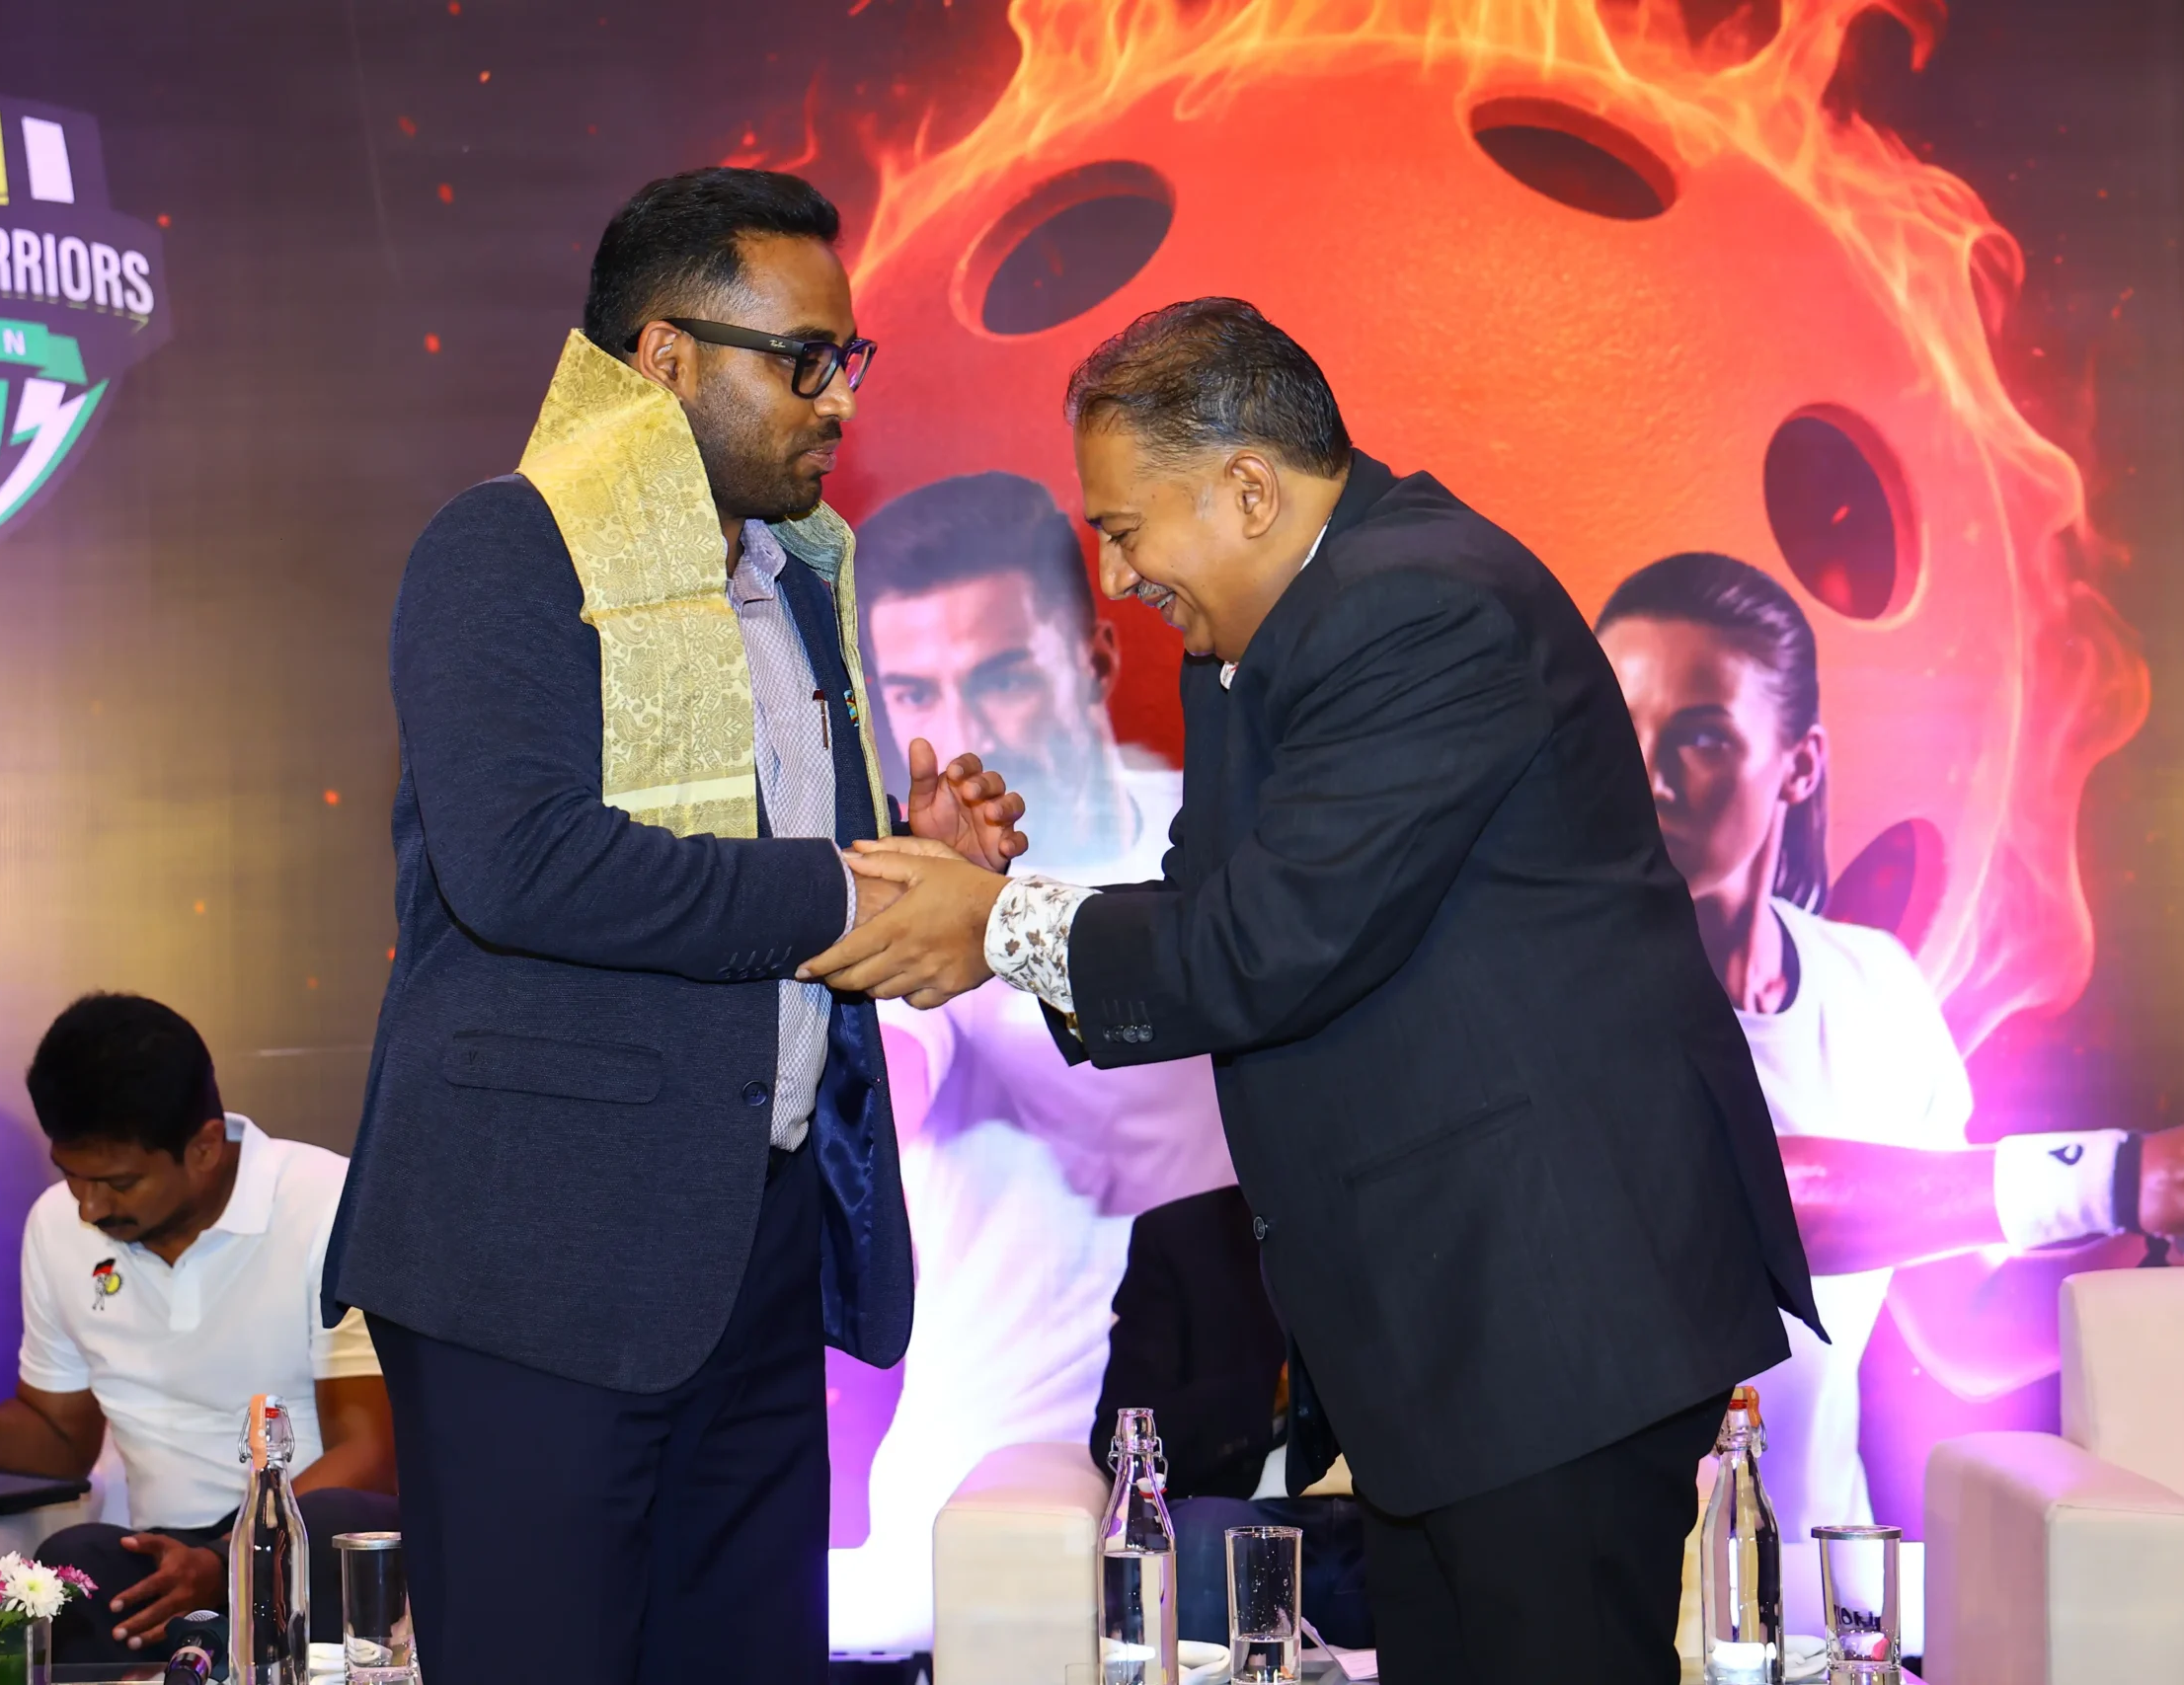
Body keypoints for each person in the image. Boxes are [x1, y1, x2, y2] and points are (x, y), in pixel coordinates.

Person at [804, 296, 1821, 1685]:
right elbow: (1213, 915)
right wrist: (994, 899)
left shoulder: (1420, 608)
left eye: (1124, 530)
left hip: (1551, 1312)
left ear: (1247, 489)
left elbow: (1265, 943)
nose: (1118, 577)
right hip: (1455, 1335)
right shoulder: (1267, 637)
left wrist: (994, 925)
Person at [320, 167, 1023, 1685]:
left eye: (848, 358)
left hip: (750, 1244)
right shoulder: (506, 547)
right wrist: (854, 887)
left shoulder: (794, 586)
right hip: (538, 1252)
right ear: (664, 356)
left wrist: (917, 865)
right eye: (805, 359)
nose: (839, 399)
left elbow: (788, 884)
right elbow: (525, 865)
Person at [1595, 552, 2184, 1534]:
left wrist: (2152, 1237)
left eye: (1699, 736)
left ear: (1799, 764)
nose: (1648, 777)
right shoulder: (1546, 992)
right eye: (1617, 733)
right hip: (1613, 1609)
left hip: (1830, 1609)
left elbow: (1963, 1330)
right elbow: (1744, 1200)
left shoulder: (1874, 985)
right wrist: (2122, 1175)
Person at [826, 472, 1235, 1648]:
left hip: (1228, 1456)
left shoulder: (1225, 856)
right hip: (983, 1541)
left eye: (1002, 672)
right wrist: (934, 897)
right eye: (916, 689)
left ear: (1094, 659)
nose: (969, 724)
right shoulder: (905, 896)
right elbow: (862, 1096)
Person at [0, 993, 397, 1662]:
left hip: (300, 1533)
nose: (90, 1207)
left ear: (205, 1147)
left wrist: (227, 1558)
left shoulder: (327, 1205)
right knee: (71, 1564)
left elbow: (371, 1453)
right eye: (72, 1175)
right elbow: (61, 1438)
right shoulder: (55, 1226)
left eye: (118, 1182)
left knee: (339, 1523)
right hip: (163, 1552)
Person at [1089, 1187, 1373, 1652]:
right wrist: (1278, 1391)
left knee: (1473, 1534)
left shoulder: (1424, 1217)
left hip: (1390, 1512)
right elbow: (1119, 1437)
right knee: (1207, 1538)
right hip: (1244, 1512)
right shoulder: (1179, 1237)